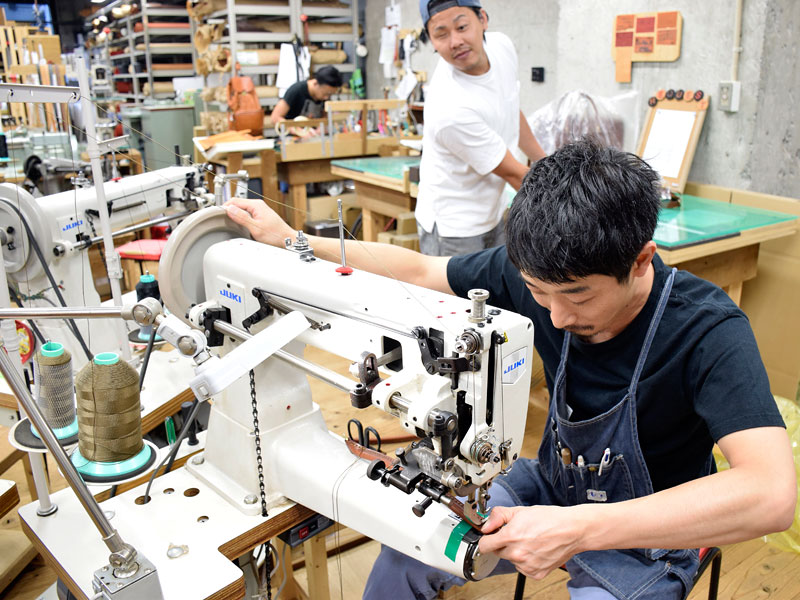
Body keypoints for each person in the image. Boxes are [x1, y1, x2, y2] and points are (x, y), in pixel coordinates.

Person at [225, 139, 796, 600]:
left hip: (653, 535)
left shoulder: (707, 330)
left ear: (640, 258)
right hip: (554, 484)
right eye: (535, 292)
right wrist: (295, 241)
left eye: (577, 296)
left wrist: (579, 531)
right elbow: (423, 271)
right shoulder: (543, 271)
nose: (555, 313)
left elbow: (770, 493)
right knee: (410, 547)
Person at [416, 0, 547, 256]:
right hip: (455, 228)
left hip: (493, 209)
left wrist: (546, 163)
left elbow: (511, 111)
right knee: (458, 297)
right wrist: (571, 202)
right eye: (441, 34)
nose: (455, 42)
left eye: (462, 26)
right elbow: (513, 173)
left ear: (483, 19)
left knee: (495, 293)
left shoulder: (502, 47)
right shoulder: (450, 106)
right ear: (432, 41)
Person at [270, 65, 342, 125]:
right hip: (292, 136)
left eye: (330, 95)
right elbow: (275, 117)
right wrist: (296, 130)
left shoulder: (325, 95)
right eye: (325, 94)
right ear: (315, 83)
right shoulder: (296, 90)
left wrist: (321, 128)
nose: (326, 97)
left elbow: (324, 116)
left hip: (314, 136)